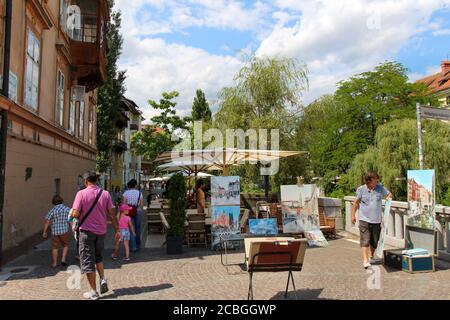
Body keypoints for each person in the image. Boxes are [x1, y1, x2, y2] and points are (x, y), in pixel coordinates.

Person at [70, 172, 121, 300]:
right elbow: (112, 214)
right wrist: (117, 230)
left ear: (86, 181)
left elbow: (75, 214)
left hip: (86, 233)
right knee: (98, 256)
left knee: (87, 261)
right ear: (97, 181)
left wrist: (72, 213)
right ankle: (102, 279)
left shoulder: (81, 194)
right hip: (101, 232)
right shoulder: (105, 194)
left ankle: (93, 292)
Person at [351, 171, 393, 269]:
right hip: (364, 219)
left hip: (376, 220)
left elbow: (389, 195)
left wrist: (388, 197)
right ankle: (365, 260)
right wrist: (353, 215)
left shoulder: (380, 188)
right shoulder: (361, 189)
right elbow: (356, 203)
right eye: (375, 181)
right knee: (365, 239)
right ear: (368, 181)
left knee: (374, 241)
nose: (377, 182)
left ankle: (371, 256)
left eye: (377, 181)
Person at [43, 195, 71, 268]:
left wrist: (45, 231)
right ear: (62, 200)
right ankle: (63, 260)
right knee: (65, 245)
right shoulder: (67, 209)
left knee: (54, 247)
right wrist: (72, 228)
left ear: (53, 202)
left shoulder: (52, 210)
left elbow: (47, 221)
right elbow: (70, 220)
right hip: (64, 230)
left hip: (55, 231)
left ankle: (54, 263)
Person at [122, 179, 144, 252]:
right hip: (137, 210)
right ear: (135, 185)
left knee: (131, 229)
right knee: (138, 229)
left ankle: (133, 247)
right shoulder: (139, 193)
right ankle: (138, 245)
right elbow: (141, 204)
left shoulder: (125, 193)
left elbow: (124, 204)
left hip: (129, 211)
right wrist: (140, 210)